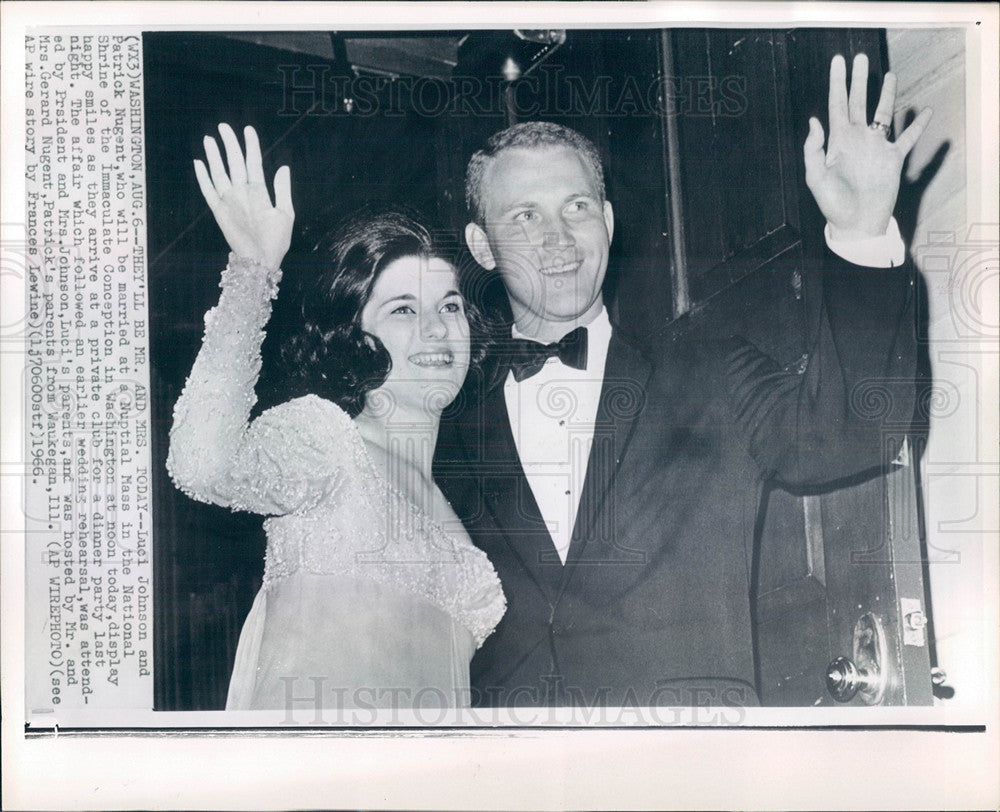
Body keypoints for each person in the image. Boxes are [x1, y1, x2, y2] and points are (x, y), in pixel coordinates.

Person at [433, 54, 932, 707]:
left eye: (577, 205)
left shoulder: (709, 370)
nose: (558, 237)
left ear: (608, 223)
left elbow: (855, 431)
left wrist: (862, 232)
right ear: (480, 245)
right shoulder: (445, 431)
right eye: (523, 216)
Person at [167, 123, 505, 711]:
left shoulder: (455, 517)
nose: (436, 328)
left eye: (449, 305)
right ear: (356, 336)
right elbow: (199, 465)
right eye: (403, 309)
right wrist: (252, 272)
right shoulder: (326, 439)